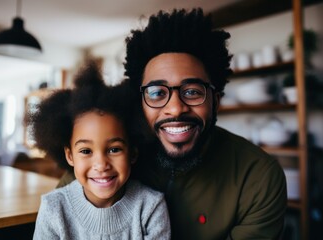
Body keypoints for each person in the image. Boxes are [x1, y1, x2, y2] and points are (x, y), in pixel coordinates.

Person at [59, 8, 287, 239]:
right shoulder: (109, 157)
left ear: (215, 102)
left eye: (192, 91)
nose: (176, 108)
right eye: (157, 93)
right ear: (139, 103)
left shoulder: (258, 176)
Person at [28, 64, 171, 239]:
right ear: (69, 155)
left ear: (132, 153)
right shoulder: (53, 209)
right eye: (86, 151)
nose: (101, 164)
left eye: (114, 149)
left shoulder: (151, 207)